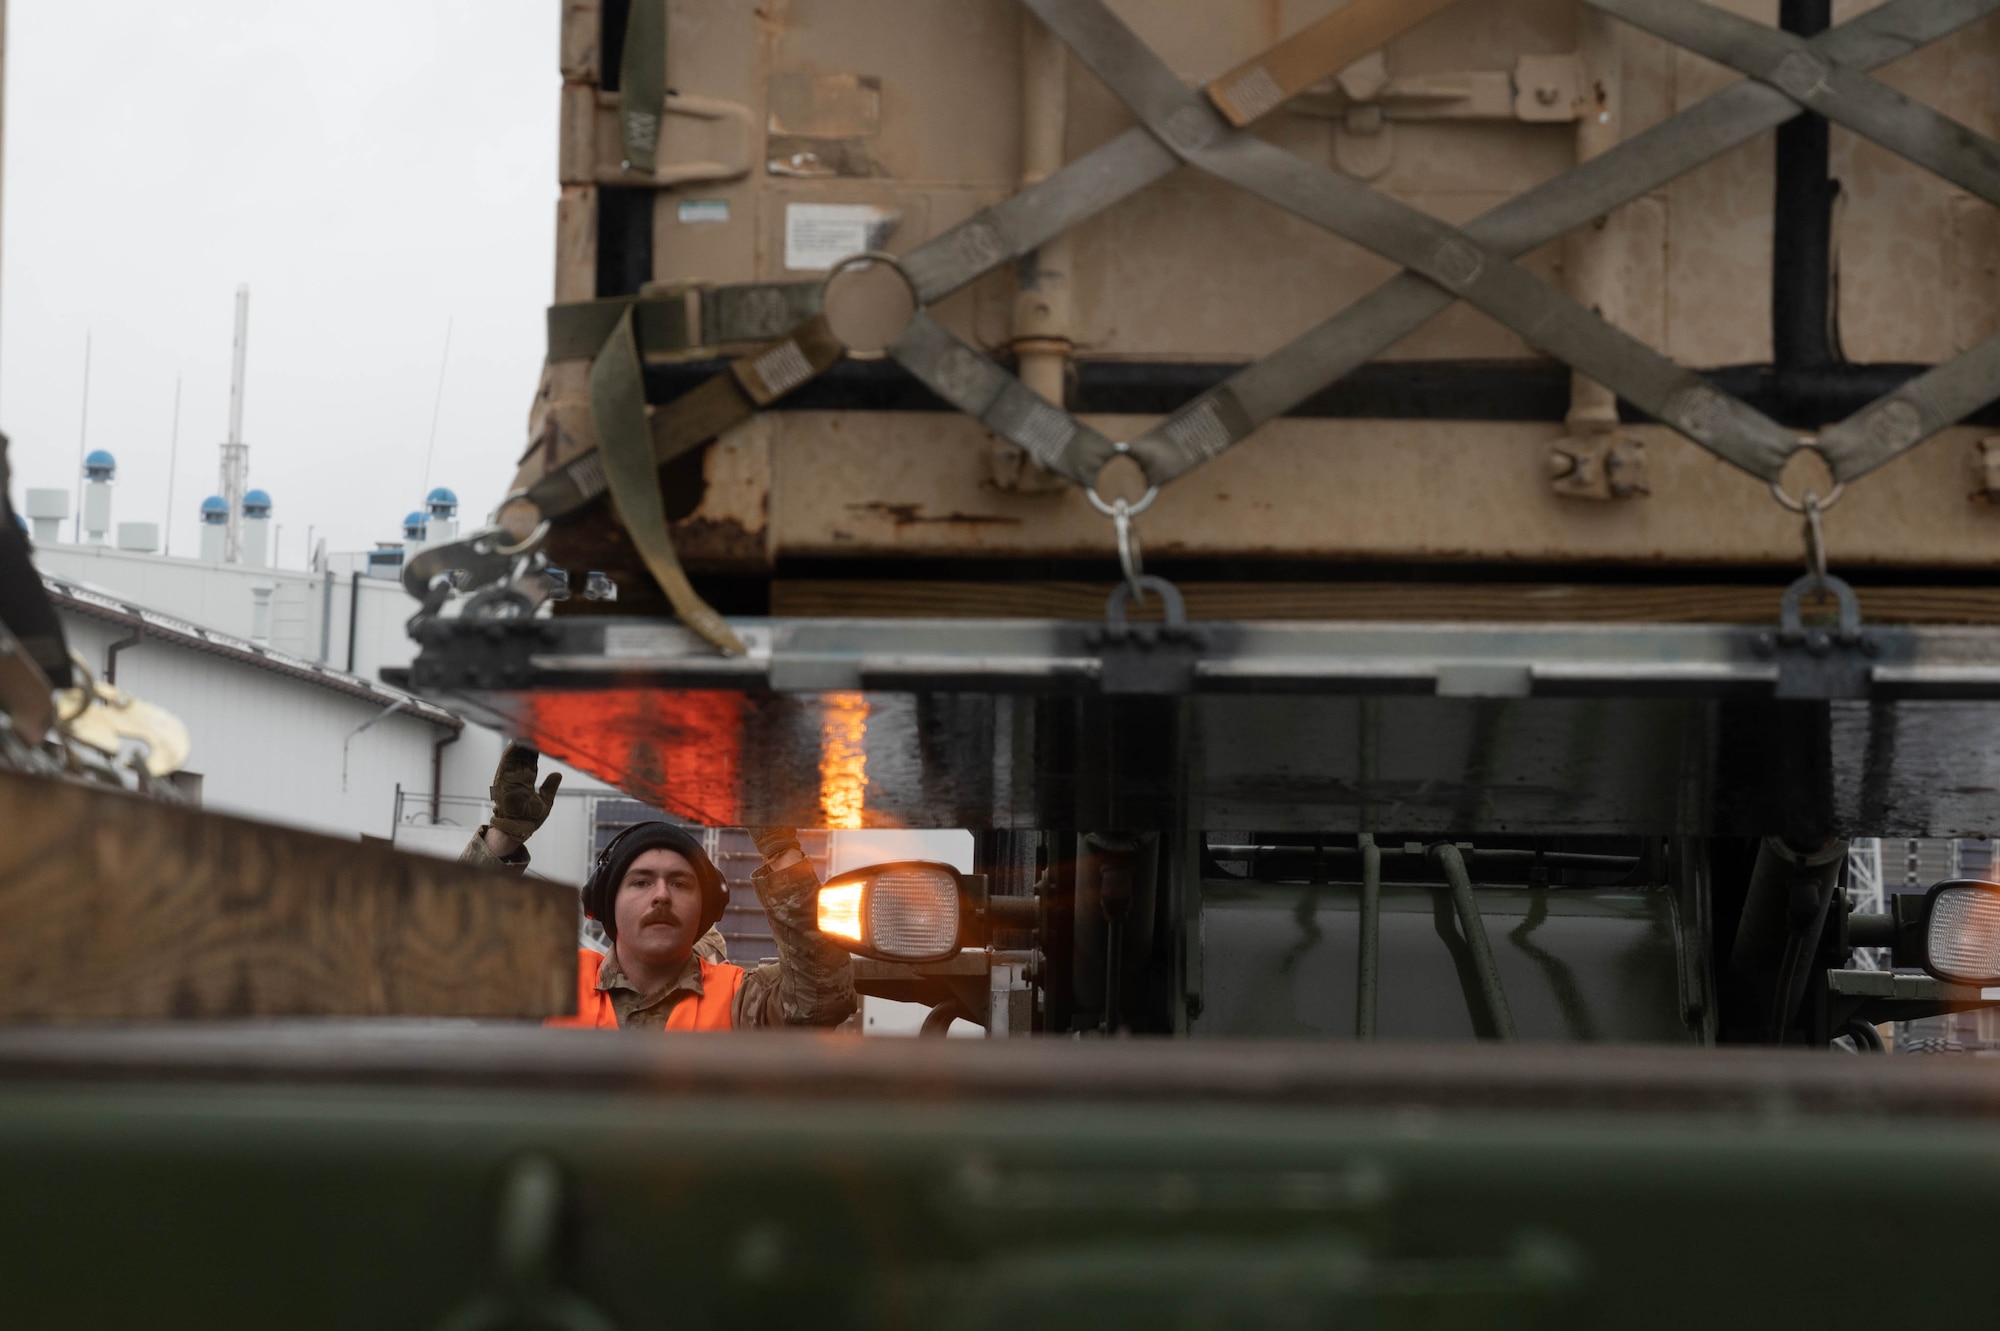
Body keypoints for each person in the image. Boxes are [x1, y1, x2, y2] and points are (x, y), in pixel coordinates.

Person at [461, 742, 856, 1030]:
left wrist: (781, 849)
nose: (662, 895)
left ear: (704, 910)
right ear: (607, 904)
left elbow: (819, 1000)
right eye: (641, 882)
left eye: (681, 883)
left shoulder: (740, 1001)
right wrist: (501, 839)